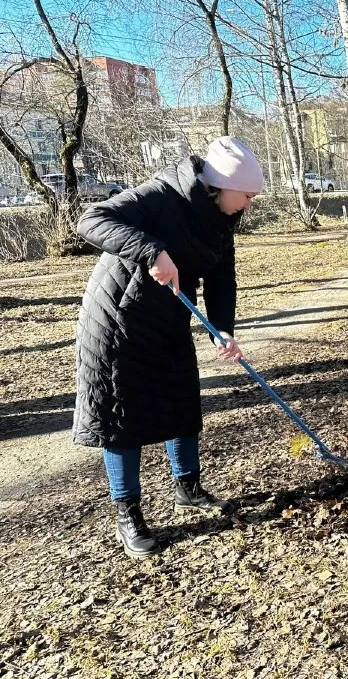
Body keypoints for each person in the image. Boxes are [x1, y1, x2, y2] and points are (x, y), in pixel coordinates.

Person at [73, 136, 263, 559]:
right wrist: (152, 250)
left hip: (168, 319)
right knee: (122, 415)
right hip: (117, 319)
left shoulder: (220, 217)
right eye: (247, 195)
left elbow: (221, 278)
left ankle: (188, 488)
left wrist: (222, 329)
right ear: (221, 184)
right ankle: (128, 512)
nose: (248, 204)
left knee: (180, 401)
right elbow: (92, 219)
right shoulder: (161, 194)